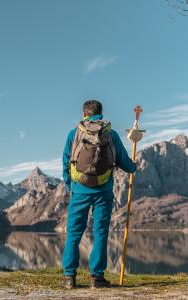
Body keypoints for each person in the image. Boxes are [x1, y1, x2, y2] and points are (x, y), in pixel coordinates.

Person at [61, 99, 137, 289]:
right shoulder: (111, 134)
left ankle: (69, 277)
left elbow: (65, 162)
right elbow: (125, 164)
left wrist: (70, 185)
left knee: (74, 233)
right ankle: (97, 278)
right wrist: (133, 166)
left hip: (79, 190)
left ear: (84, 114)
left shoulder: (74, 133)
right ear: (101, 114)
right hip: (103, 190)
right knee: (100, 232)